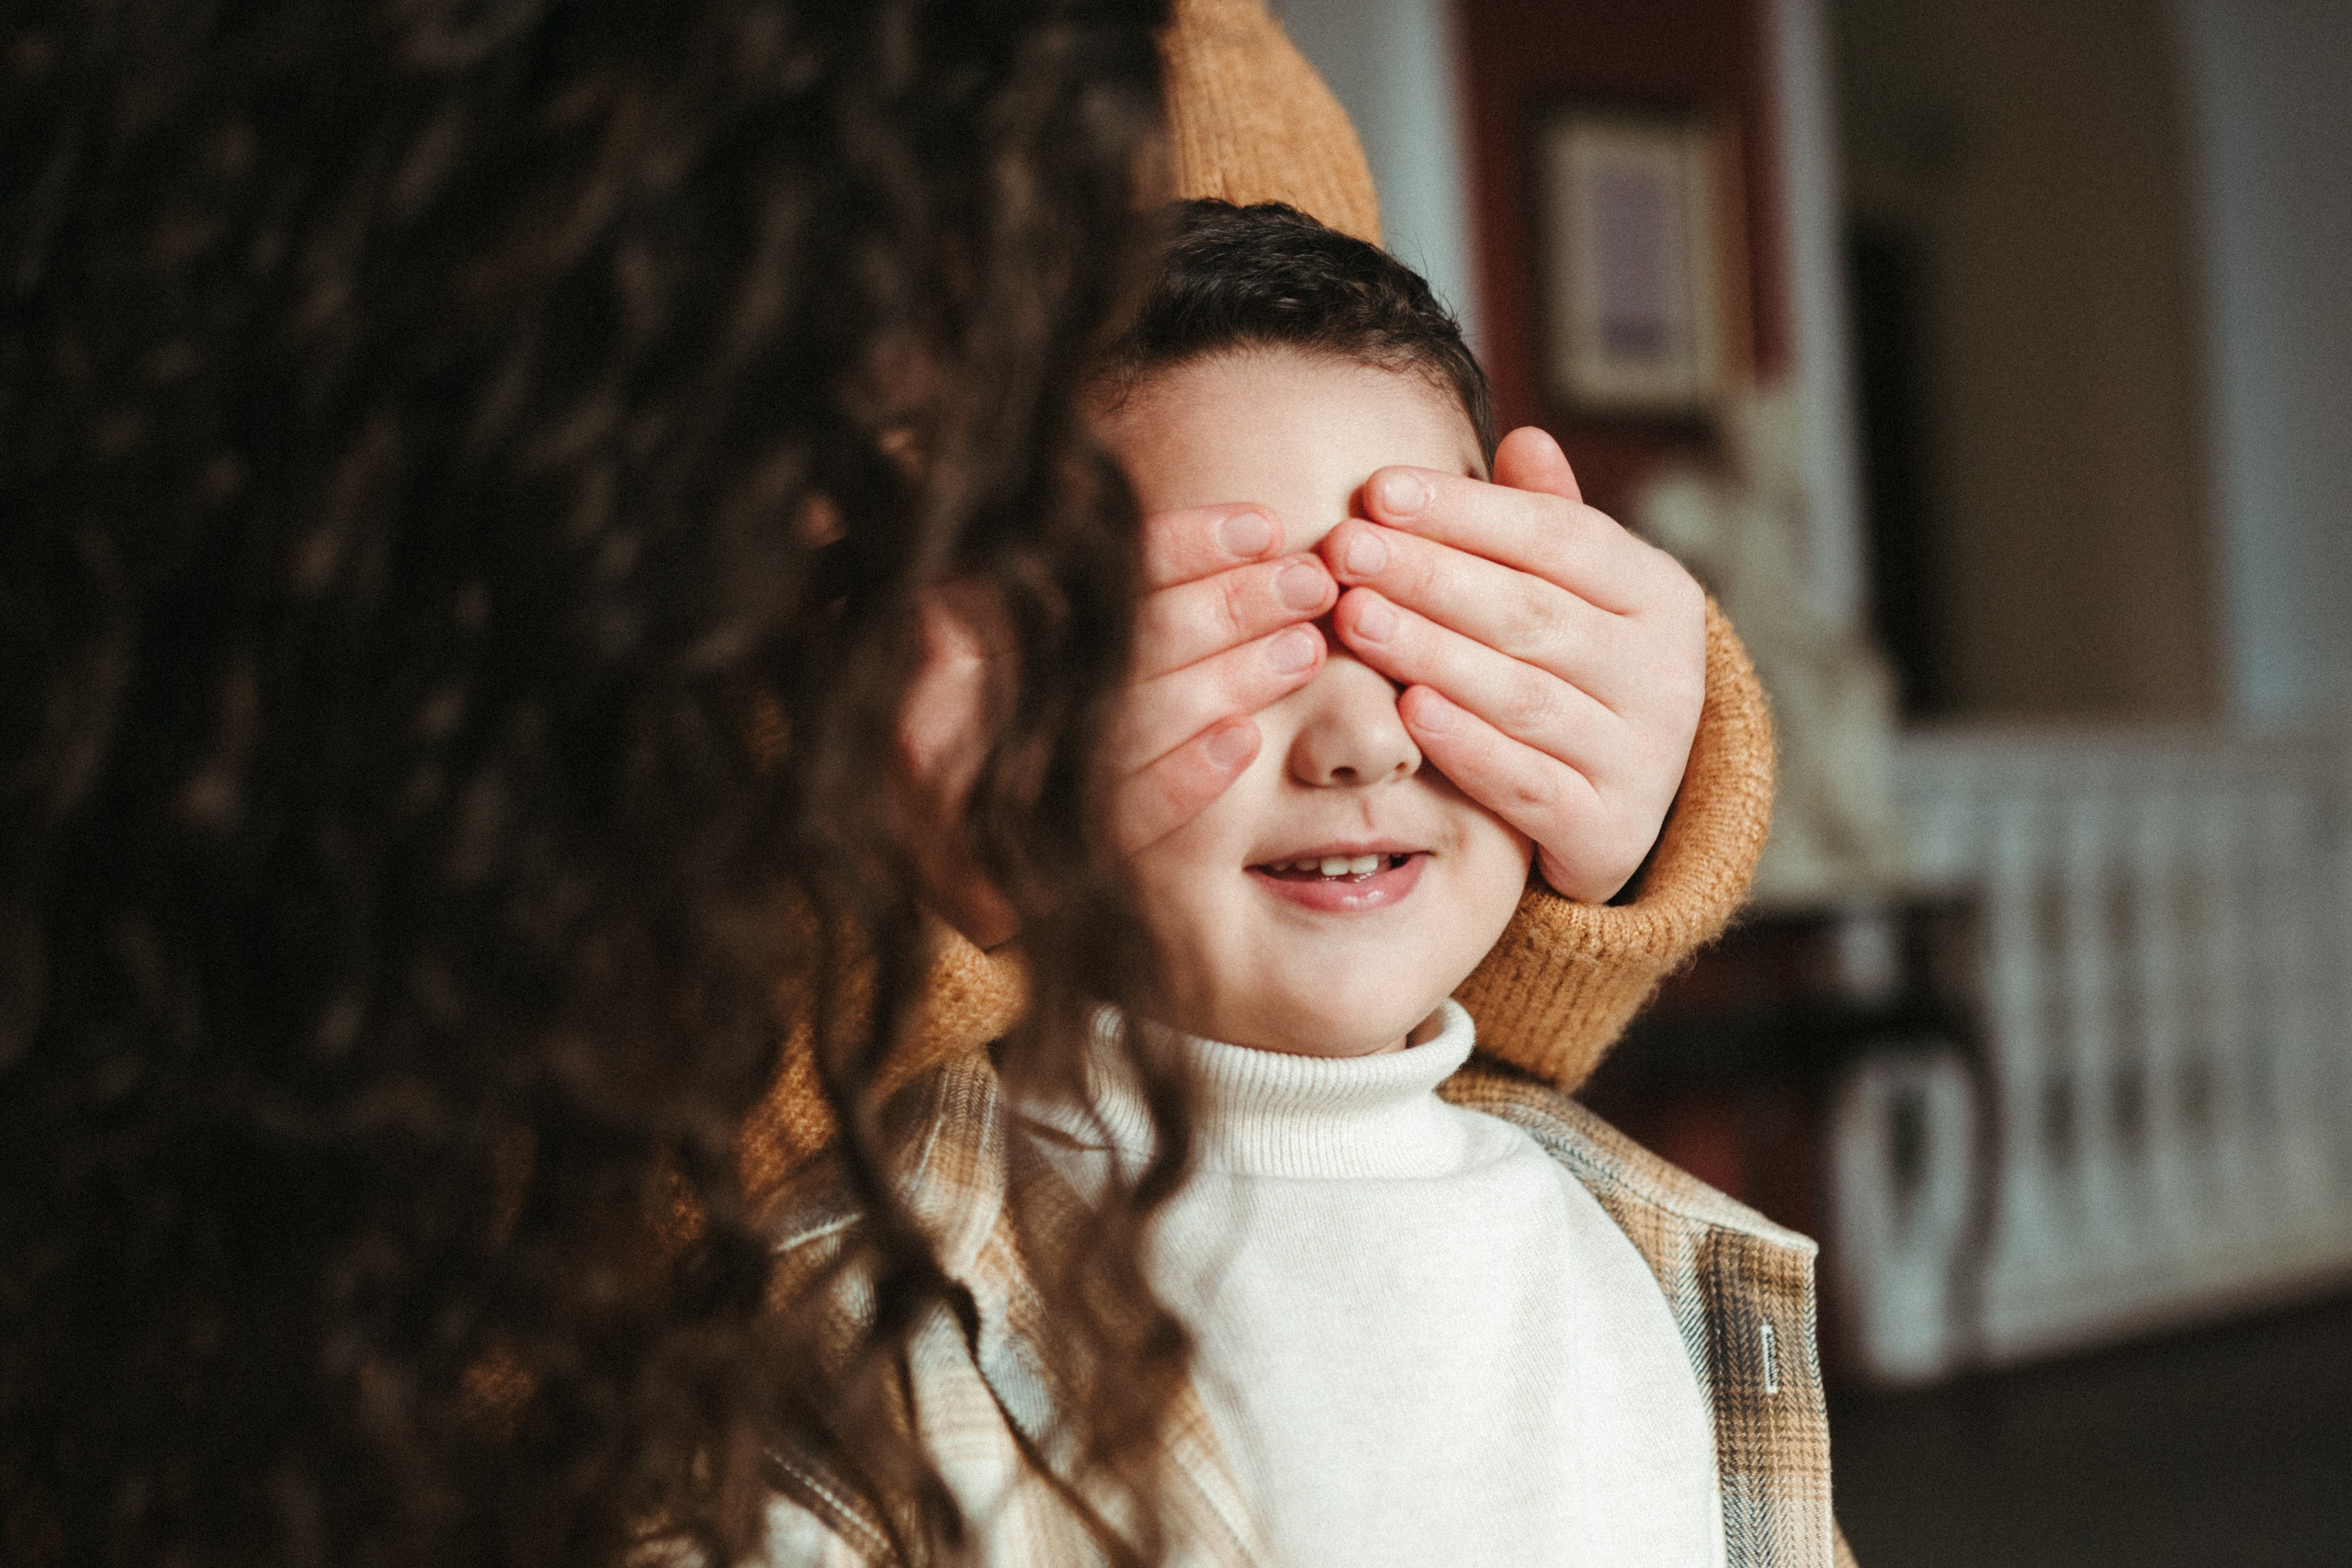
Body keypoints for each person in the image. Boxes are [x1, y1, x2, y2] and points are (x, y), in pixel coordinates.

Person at [760, 205, 1852, 1566]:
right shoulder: (847, 1342)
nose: (1363, 741)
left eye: (1426, 630)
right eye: (1243, 637)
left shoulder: (1660, 1265)